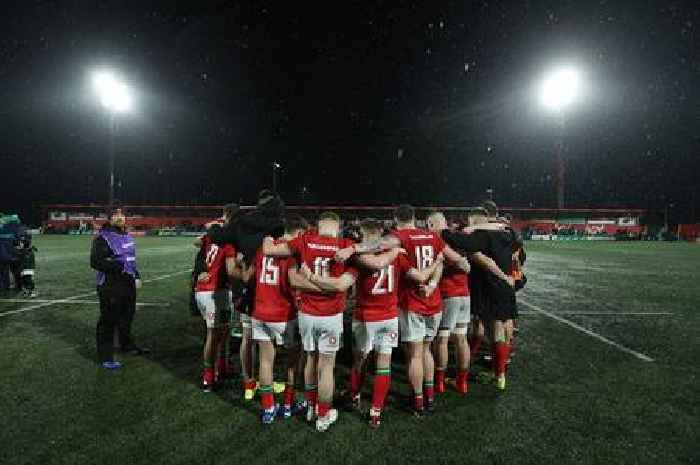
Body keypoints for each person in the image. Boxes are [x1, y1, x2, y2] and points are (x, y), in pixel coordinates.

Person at [262, 211, 361, 432]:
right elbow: (340, 285)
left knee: (310, 359)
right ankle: (323, 415)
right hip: (331, 315)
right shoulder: (345, 244)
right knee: (327, 366)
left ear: (318, 225)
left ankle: (310, 406)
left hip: (306, 313)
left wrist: (268, 235)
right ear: (338, 226)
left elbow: (269, 250)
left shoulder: (304, 240)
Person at [343, 219, 441, 428]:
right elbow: (420, 276)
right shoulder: (398, 255)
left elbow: (351, 282)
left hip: (365, 316)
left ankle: (354, 395)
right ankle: (376, 412)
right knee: (384, 365)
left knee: (360, 360)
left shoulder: (358, 256)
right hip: (388, 316)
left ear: (363, 233)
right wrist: (436, 262)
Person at [242, 215, 308, 424]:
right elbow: (293, 283)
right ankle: (288, 405)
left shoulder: (264, 248)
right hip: (284, 314)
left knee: (265, 361)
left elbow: (247, 277)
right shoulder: (293, 251)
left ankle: (268, 408)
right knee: (292, 362)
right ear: (299, 232)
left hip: (259, 312)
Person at [90, 207, 147, 369]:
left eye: (122, 214)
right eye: (115, 215)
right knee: (108, 321)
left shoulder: (127, 236)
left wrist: (137, 276)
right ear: (109, 219)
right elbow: (96, 262)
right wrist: (119, 267)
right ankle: (105, 356)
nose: (120, 217)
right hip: (110, 284)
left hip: (128, 282)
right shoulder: (102, 238)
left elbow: (131, 261)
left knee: (127, 316)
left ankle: (126, 346)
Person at [426, 211, 472, 395]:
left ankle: (439, 383)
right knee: (461, 339)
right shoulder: (460, 238)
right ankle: (462, 382)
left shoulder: (440, 241)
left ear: (431, 224)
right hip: (465, 295)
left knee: (442, 339)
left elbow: (457, 263)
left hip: (449, 295)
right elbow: (467, 266)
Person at [193, 225, 237, 392]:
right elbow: (231, 271)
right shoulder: (228, 245)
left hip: (202, 291)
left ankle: (223, 366)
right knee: (213, 334)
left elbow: (196, 242)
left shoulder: (209, 241)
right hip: (216, 293)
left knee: (224, 330)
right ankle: (209, 376)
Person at [8, 216, 38, 298]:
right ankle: (24, 289)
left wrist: (23, 247)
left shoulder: (21, 230)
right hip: (19, 255)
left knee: (27, 276)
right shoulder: (14, 230)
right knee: (21, 276)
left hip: (24, 256)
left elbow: (27, 241)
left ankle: (31, 290)